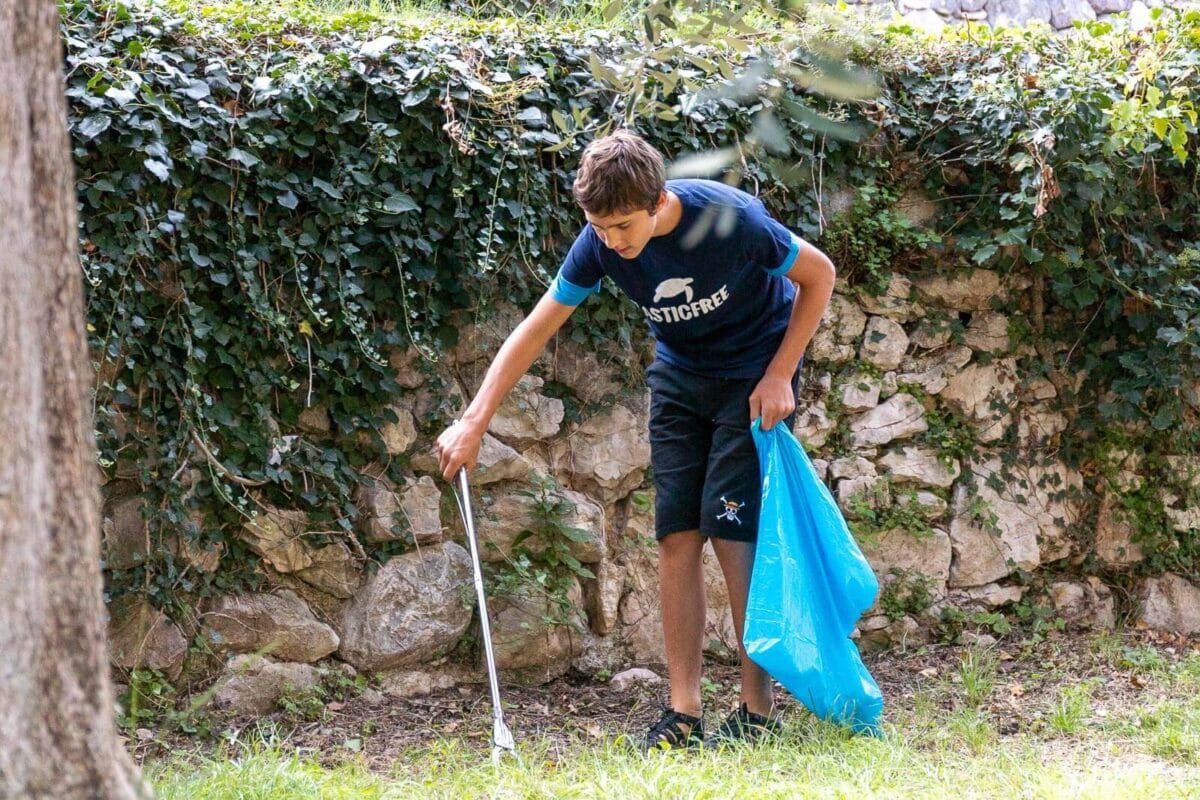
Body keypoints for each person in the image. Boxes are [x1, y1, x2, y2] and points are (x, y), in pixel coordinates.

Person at [436, 129, 836, 751]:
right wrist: (473, 421)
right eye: (600, 228)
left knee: (732, 533)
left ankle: (756, 710)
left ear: (656, 202)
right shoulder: (599, 243)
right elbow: (537, 326)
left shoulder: (729, 220)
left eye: (623, 226)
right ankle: (683, 713)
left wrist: (781, 373)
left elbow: (820, 276)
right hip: (680, 376)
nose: (614, 243)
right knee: (676, 531)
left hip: (753, 374)